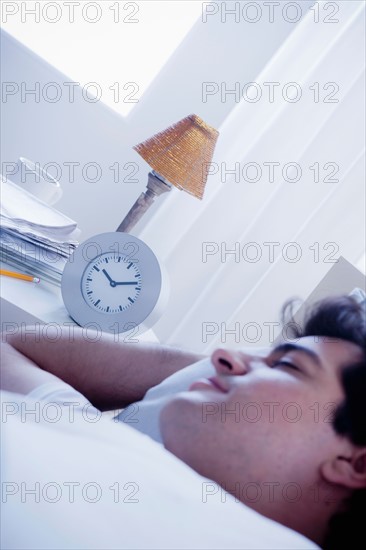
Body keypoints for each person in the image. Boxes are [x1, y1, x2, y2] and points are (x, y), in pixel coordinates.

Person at [1, 295, 365, 549]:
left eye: (288, 365)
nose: (222, 356)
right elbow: (11, 348)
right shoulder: (86, 434)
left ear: (357, 463)